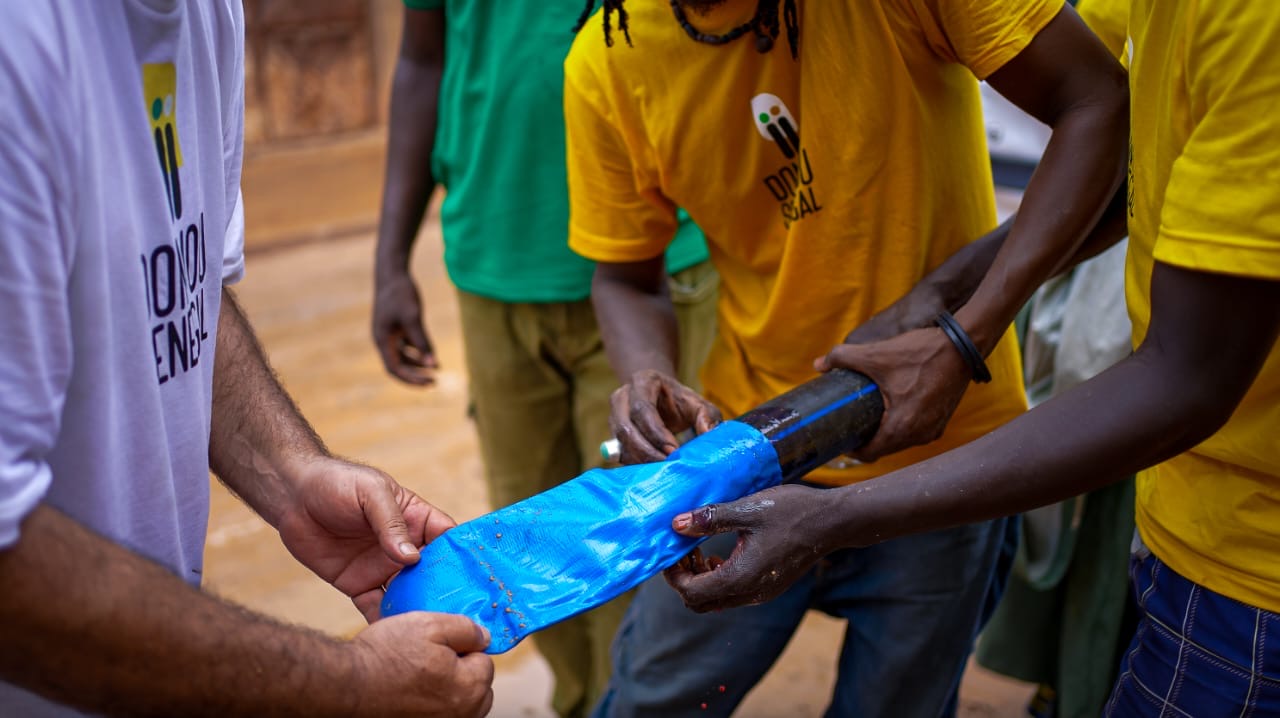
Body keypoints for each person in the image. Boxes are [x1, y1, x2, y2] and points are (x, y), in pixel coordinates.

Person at [664, 0, 1280, 714]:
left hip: (1255, 576)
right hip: (1196, 519)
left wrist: (835, 514)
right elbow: (1133, 165)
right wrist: (948, 292)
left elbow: (1188, 378)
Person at [564, 0, 1127, 715]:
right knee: (653, 699)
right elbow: (625, 273)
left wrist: (965, 332)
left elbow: (1099, 101)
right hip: (743, 452)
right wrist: (645, 370)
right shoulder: (609, 59)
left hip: (943, 461)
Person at [0, 3, 492, 716]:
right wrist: (347, 688)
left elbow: (180, 289)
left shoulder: (206, 14)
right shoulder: (22, 48)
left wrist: (291, 474)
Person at [371, 3, 717, 717]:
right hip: (493, 261)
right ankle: (585, 699)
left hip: (650, 275)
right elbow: (422, 61)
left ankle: (627, 704)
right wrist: (389, 261)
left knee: (649, 533)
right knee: (524, 536)